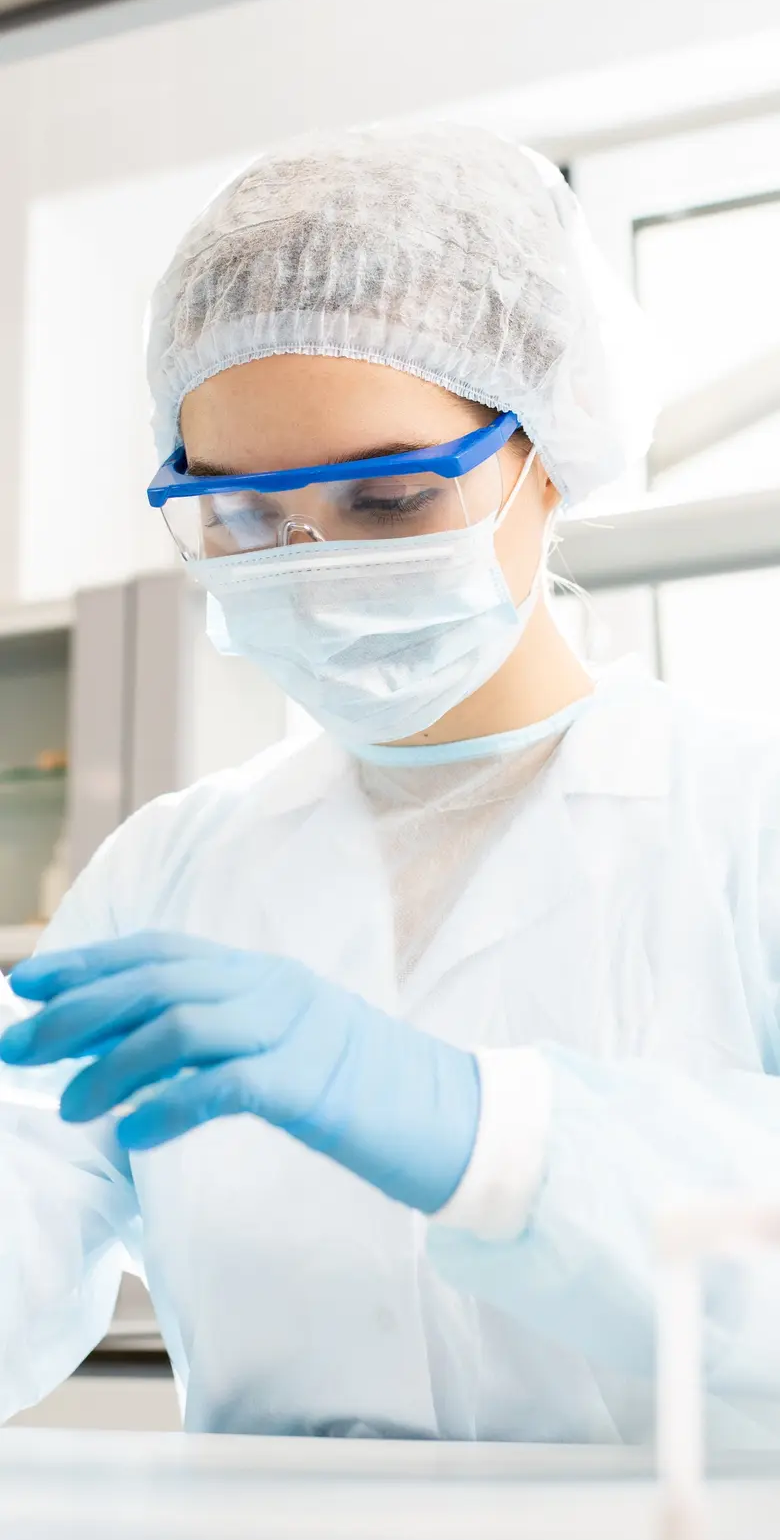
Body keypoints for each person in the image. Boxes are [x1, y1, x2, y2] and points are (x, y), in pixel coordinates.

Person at [3, 123, 780, 1445]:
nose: (312, 562)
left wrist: (496, 1137)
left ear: (550, 454)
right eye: (243, 517)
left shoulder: (740, 823)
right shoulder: (165, 873)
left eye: (388, 501)